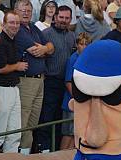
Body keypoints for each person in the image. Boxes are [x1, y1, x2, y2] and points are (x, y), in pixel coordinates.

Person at [15, 0, 54, 154]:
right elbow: (35, 51)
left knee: (33, 121)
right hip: (26, 81)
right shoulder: (18, 29)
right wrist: (45, 49)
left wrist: (45, 48)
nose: (26, 13)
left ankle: (27, 155)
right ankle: (20, 157)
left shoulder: (33, 28)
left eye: (28, 11)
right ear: (16, 11)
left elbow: (51, 47)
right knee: (23, 121)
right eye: (23, 10)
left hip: (40, 80)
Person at [37, 5, 74, 152]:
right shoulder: (45, 34)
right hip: (50, 81)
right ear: (55, 17)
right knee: (47, 116)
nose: (64, 21)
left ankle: (57, 149)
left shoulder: (71, 35)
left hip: (66, 83)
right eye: (61, 17)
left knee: (60, 118)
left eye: (67, 18)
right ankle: (44, 148)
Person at [0, 11, 27, 153]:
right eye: (12, 22)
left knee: (15, 129)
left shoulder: (14, 40)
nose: (15, 26)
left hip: (14, 87)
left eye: (17, 23)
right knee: (0, 130)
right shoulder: (0, 41)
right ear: (4, 24)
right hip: (2, 88)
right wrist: (17, 66)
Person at [61, 31, 90, 150]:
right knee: (68, 133)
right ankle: (61, 155)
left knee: (76, 133)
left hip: (82, 101)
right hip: (71, 102)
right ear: (77, 45)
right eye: (81, 44)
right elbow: (68, 82)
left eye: (86, 44)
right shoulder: (73, 59)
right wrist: (77, 99)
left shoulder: (87, 59)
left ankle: (70, 156)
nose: (84, 47)